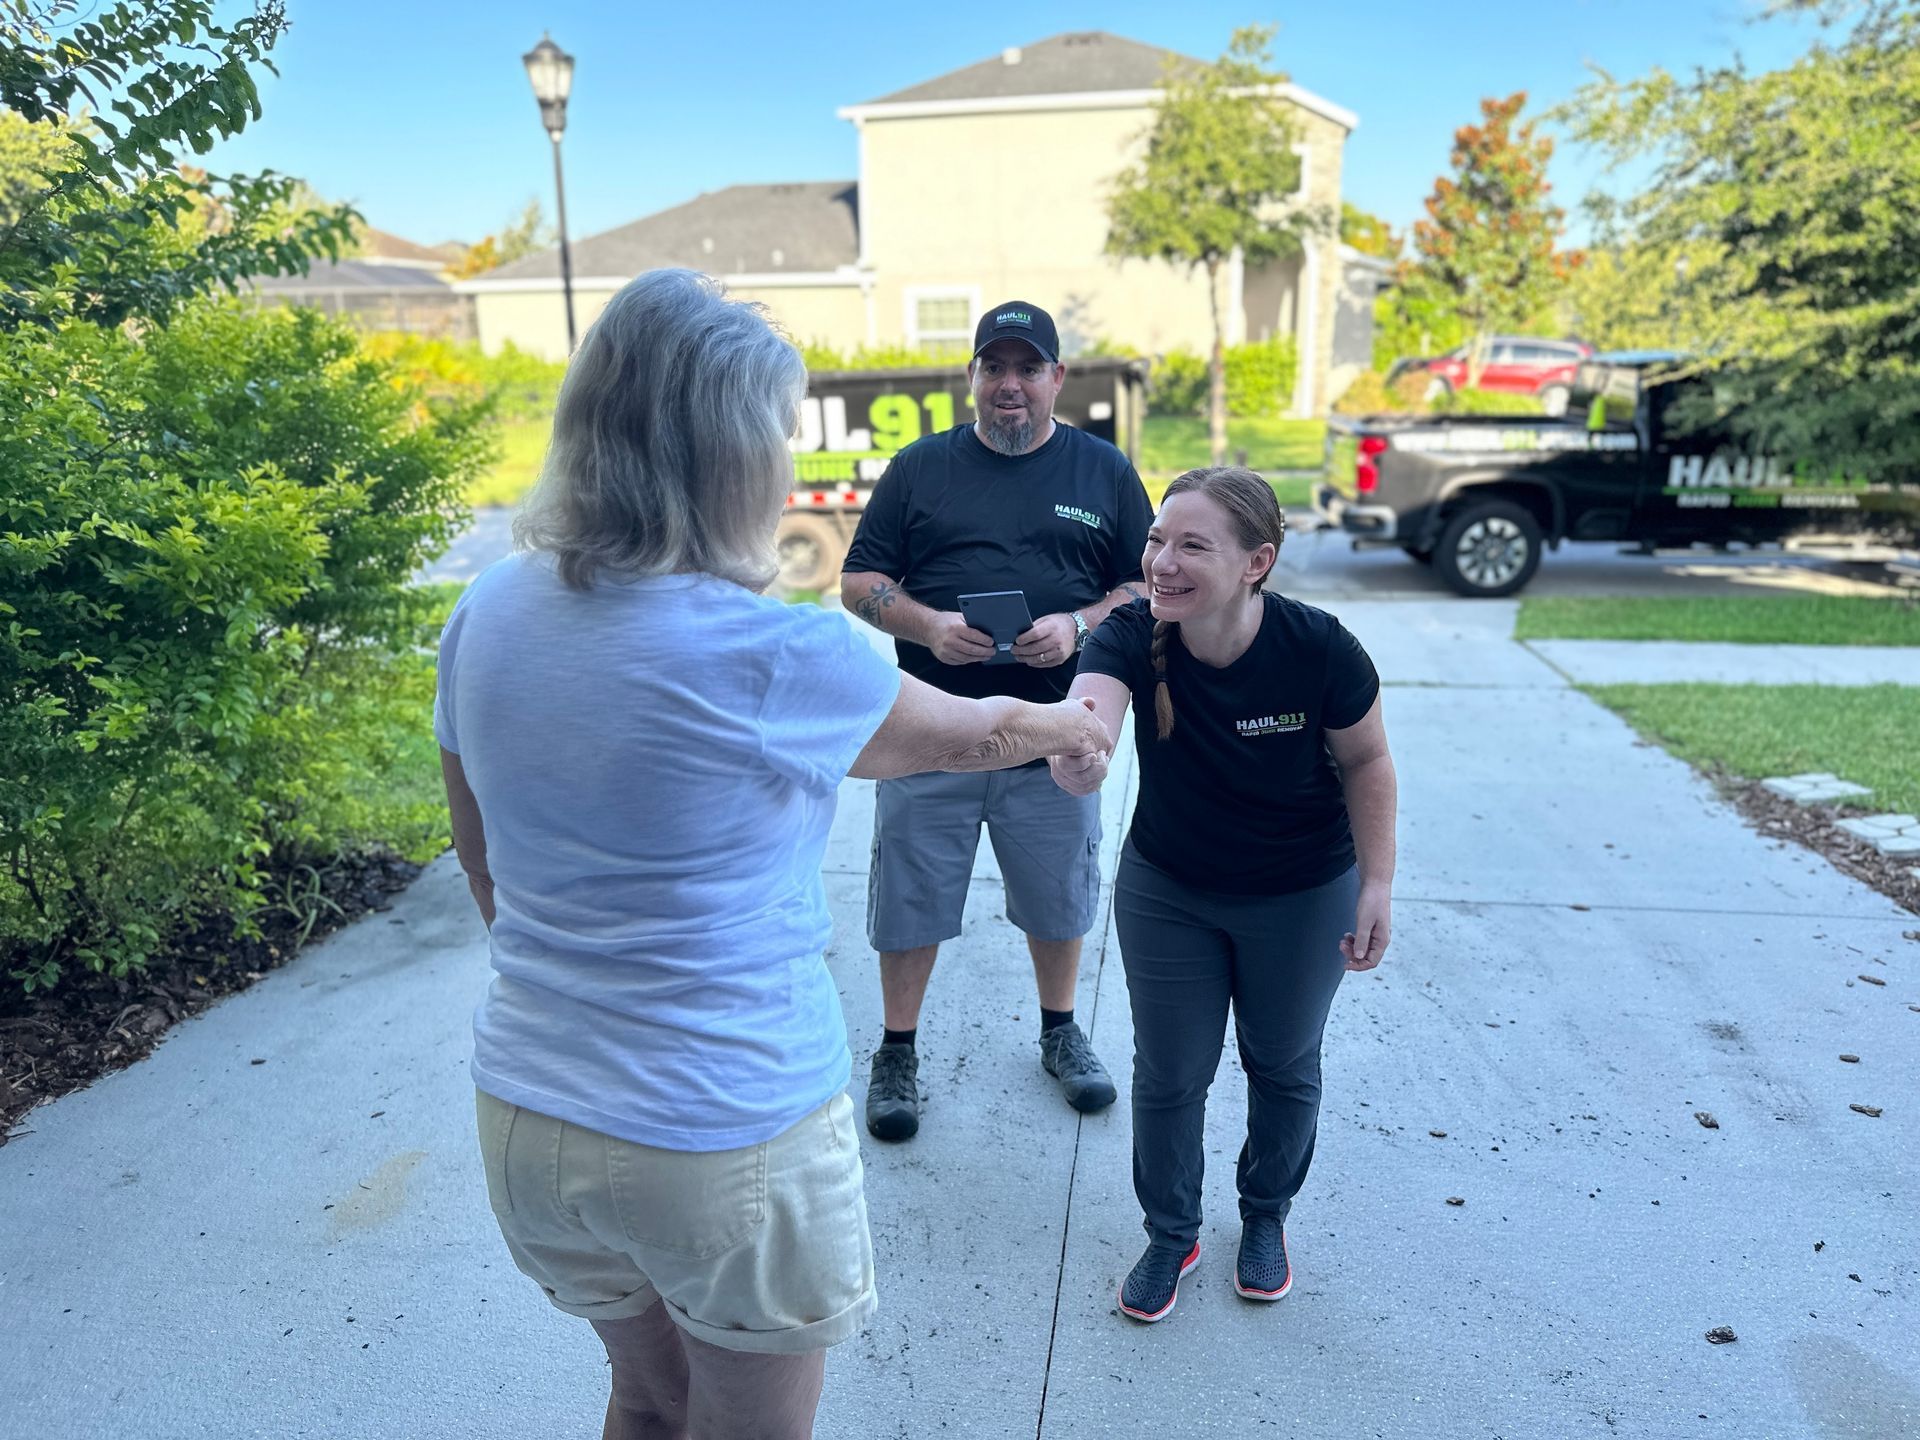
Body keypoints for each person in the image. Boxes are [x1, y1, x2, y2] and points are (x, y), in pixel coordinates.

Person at [434, 269, 1111, 1440]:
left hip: (530, 1111)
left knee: (644, 1405)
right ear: (732, 453)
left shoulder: (486, 611)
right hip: (721, 1130)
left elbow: (483, 863)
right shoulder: (772, 651)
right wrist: (1072, 724)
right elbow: (977, 731)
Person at [1049, 467, 1398, 1324]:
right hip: (1172, 888)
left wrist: (1378, 883)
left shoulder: (1320, 648)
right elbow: (1088, 715)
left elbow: (1368, 762)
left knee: (1281, 1064)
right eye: (1157, 539)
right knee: (1170, 1075)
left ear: (1257, 562)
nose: (1162, 561)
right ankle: (1172, 1232)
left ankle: (1265, 1215)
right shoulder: (1132, 632)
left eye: (1192, 545)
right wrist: (1077, 753)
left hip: (1304, 890)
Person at [839, 300, 1156, 1142]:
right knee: (908, 899)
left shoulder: (1104, 472)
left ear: (1057, 378)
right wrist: (929, 626)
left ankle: (1060, 1032)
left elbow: (1147, 584)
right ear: (972, 378)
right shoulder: (919, 469)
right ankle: (897, 1050)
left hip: (1053, 737)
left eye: (1027, 368)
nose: (1008, 385)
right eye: (993, 368)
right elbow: (860, 578)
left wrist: (1082, 626)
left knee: (1059, 897)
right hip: (931, 733)